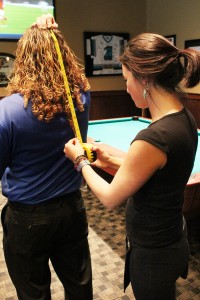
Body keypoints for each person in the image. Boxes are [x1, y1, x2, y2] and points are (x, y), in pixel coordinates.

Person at [64, 33, 200, 299]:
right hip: (172, 238)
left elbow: (110, 197)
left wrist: (80, 161)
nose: (126, 87)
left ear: (145, 79)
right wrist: (111, 160)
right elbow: (156, 170)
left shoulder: (153, 137)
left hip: (153, 254)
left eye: (127, 79)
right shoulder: (184, 119)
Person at [0, 20, 93, 300]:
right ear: (63, 55)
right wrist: (50, 33)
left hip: (28, 218)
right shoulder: (81, 99)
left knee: (34, 293)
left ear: (23, 60)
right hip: (72, 209)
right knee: (79, 286)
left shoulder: (7, 111)